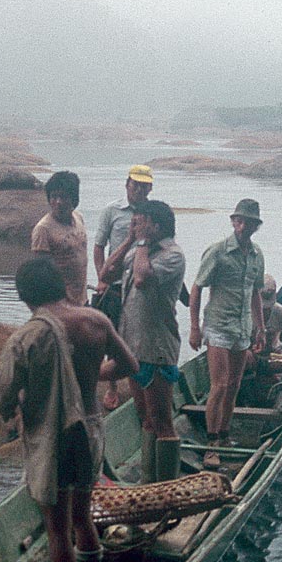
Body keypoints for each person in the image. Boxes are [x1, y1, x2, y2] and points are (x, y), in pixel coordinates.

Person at [0, 257, 138, 562]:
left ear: (25, 296)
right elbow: (129, 365)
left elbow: (3, 397)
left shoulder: (28, 337)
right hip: (89, 429)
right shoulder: (95, 321)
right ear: (60, 286)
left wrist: (12, 411)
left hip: (52, 436)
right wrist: (91, 377)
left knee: (56, 529)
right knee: (82, 517)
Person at [98, 199, 186, 482]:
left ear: (157, 225)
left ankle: (167, 487)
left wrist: (142, 244)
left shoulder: (172, 255)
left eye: (140, 222)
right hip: (133, 345)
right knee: (144, 418)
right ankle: (150, 481)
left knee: (162, 421)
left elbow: (140, 279)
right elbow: (106, 274)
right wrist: (127, 242)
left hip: (157, 348)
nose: (134, 226)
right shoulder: (137, 249)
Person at [188, 198, 267, 470]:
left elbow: (256, 292)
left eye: (250, 222)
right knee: (219, 385)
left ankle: (223, 435)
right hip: (218, 325)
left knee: (234, 385)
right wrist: (195, 328)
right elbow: (197, 288)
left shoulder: (257, 255)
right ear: (234, 222)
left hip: (242, 327)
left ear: (255, 226)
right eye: (240, 220)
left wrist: (261, 328)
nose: (244, 226)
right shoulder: (218, 252)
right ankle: (211, 445)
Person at [94, 165, 154, 409]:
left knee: (138, 333)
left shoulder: (154, 212)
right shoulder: (112, 211)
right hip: (116, 282)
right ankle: (111, 386)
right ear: (127, 184)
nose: (139, 190)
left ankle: (137, 381)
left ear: (150, 187)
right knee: (113, 333)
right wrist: (102, 278)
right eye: (135, 184)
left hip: (142, 282)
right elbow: (99, 247)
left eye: (144, 185)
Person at [31, 171, 88, 306]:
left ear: (74, 198)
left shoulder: (78, 217)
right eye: (54, 197)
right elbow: (41, 273)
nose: (58, 202)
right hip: (60, 303)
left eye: (63, 197)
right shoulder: (43, 229)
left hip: (81, 299)